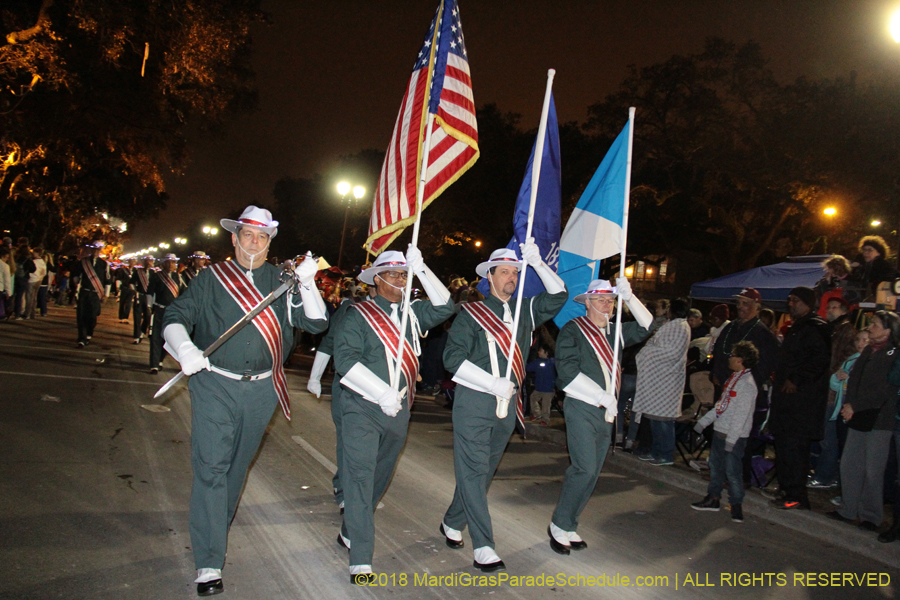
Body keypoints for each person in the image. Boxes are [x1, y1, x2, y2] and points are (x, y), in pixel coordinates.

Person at [161, 205, 328, 596]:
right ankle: (208, 561)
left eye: (262, 237)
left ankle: (214, 526)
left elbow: (317, 323)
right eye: (247, 235)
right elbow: (175, 315)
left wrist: (308, 283)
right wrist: (184, 348)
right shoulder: (211, 278)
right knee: (212, 467)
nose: (254, 243)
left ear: (270, 243)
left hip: (263, 390)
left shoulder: (283, 281)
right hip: (215, 384)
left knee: (236, 469)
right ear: (234, 239)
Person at [440, 242, 567, 573]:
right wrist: (490, 382)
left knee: (482, 473)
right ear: (489, 277)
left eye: (515, 273)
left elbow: (559, 296)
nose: (511, 278)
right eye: (505, 272)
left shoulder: (525, 310)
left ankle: (452, 519)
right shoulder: (470, 313)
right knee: (473, 470)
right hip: (474, 401)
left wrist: (539, 264)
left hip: (508, 404)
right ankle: (484, 545)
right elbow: (452, 359)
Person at [331, 247, 454, 584]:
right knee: (359, 476)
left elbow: (446, 306)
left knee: (379, 476)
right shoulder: (358, 315)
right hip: (362, 406)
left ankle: (350, 528)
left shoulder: (413, 314)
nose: (402, 279)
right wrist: (380, 392)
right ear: (378, 279)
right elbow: (345, 361)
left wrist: (423, 268)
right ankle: (361, 558)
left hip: (399, 409)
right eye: (396, 274)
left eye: (405, 274)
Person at [548, 278, 652, 554]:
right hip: (583, 405)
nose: (608, 305)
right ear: (588, 303)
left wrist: (630, 297)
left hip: (606, 410)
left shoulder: (615, 333)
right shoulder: (573, 330)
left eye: (612, 300)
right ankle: (558, 524)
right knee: (583, 468)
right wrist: (602, 397)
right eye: (602, 300)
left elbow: (647, 325)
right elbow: (567, 375)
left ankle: (570, 523)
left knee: (593, 472)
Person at [827, 311, 900, 532]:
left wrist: (854, 406)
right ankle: (848, 509)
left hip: (879, 420)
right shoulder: (868, 350)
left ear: (888, 330)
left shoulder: (893, 354)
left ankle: (871, 516)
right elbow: (855, 381)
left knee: (873, 470)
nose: (870, 328)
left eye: (875, 325)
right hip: (857, 417)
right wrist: (849, 405)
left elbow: (885, 390)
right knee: (850, 465)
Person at [307, 284, 376, 516]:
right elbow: (329, 341)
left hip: (381, 388)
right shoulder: (352, 308)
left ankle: (359, 487)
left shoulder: (401, 311)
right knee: (349, 440)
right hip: (349, 384)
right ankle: (345, 491)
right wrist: (315, 377)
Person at [767, 286, 831, 510]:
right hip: (786, 404)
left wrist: (796, 379)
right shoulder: (797, 328)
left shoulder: (815, 328)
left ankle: (796, 496)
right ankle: (787, 490)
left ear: (807, 303)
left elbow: (818, 360)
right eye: (789, 300)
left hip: (801, 404)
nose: (790, 304)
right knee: (784, 448)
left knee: (795, 451)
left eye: (795, 300)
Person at [691, 341, 759, 523]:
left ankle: (736, 505)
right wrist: (704, 422)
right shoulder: (734, 380)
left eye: (733, 355)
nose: (730, 358)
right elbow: (722, 406)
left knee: (733, 471)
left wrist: (732, 439)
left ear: (741, 360)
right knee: (716, 466)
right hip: (721, 431)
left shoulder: (747, 384)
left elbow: (741, 416)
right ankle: (713, 498)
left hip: (733, 436)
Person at [630, 298, 692, 466]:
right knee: (654, 419)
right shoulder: (672, 325)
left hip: (666, 380)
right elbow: (655, 343)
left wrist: (647, 353)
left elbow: (671, 352)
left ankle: (665, 453)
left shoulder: (680, 327)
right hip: (657, 379)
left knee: (663, 421)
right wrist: (649, 349)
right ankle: (655, 451)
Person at [808, 297, 858, 489]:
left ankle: (827, 475)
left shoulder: (846, 331)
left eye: (834, 307)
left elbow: (847, 359)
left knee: (827, 436)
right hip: (823, 388)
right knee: (822, 434)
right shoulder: (830, 329)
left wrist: (834, 374)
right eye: (827, 307)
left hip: (833, 391)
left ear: (844, 310)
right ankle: (823, 471)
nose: (829, 310)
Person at [147, 254, 185, 374]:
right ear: (164, 264)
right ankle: (154, 364)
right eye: (169, 262)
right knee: (156, 337)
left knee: (168, 338)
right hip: (159, 309)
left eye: (173, 262)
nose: (172, 265)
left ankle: (160, 359)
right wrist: (149, 307)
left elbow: (183, 294)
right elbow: (150, 293)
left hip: (172, 313)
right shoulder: (157, 276)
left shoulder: (178, 277)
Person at [71, 241, 110, 347]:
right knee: (81, 316)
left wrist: (105, 295)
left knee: (92, 317)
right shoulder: (83, 262)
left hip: (96, 294)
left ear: (100, 250)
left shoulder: (104, 264)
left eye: (98, 250)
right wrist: (77, 284)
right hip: (84, 292)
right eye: (94, 249)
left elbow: (107, 281)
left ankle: (89, 334)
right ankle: (82, 338)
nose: (96, 251)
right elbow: (75, 275)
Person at [849, 236, 899, 300]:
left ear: (878, 252)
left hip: (878, 299)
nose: (866, 252)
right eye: (864, 249)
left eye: (870, 250)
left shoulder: (884, 267)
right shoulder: (860, 266)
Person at [525, 346, 557, 425]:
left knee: (545, 405)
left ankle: (545, 420)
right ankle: (537, 414)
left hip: (549, 389)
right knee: (533, 398)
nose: (539, 352)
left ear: (546, 353)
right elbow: (527, 367)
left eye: (541, 351)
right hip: (539, 388)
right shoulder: (537, 362)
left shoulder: (553, 362)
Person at [131, 256, 155, 344]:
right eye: (148, 261)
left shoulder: (154, 273)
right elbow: (131, 282)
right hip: (139, 295)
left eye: (151, 261)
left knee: (148, 316)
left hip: (149, 297)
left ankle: (141, 332)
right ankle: (136, 336)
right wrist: (134, 290)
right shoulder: (138, 272)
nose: (149, 262)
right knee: (137, 317)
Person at [117, 258, 136, 323]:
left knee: (129, 303)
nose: (132, 263)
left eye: (134, 262)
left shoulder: (135, 271)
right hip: (124, 288)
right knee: (122, 302)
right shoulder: (123, 270)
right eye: (131, 262)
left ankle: (125, 317)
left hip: (131, 289)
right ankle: (121, 317)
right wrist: (117, 286)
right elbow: (119, 278)